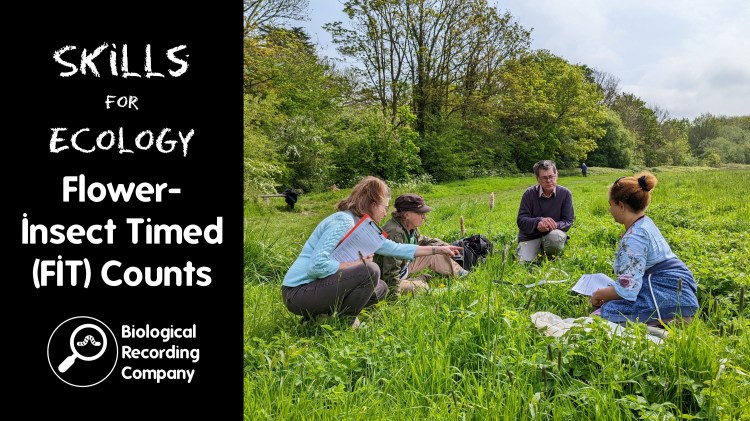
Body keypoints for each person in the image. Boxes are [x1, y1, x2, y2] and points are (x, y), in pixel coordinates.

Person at [281, 176, 463, 328]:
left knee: (380, 288)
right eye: (385, 207)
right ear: (373, 204)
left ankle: (321, 317)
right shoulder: (343, 221)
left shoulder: (362, 226)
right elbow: (317, 266)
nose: (385, 213)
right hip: (298, 292)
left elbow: (394, 248)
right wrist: (356, 264)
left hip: (319, 288)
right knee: (371, 270)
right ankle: (345, 323)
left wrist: (438, 249)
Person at [589, 172, 698, 326]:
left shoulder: (634, 238)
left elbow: (627, 289)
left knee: (600, 317)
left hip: (667, 300)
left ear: (621, 206)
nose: (609, 210)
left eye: (611, 205)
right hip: (681, 295)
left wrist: (599, 294)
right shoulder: (645, 223)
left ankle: (655, 331)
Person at [375, 194, 468, 295]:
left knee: (435, 252)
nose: (424, 216)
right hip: (386, 281)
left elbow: (422, 240)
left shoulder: (409, 226)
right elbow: (390, 273)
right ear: (406, 215)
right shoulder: (394, 233)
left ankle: (463, 275)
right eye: (420, 213)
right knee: (419, 288)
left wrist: (443, 246)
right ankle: (425, 286)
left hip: (404, 268)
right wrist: (393, 297)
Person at [516, 160, 575, 262]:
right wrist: (538, 223)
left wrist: (550, 225)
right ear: (537, 179)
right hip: (530, 236)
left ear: (557, 175)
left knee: (555, 237)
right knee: (524, 262)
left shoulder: (565, 194)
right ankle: (537, 250)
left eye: (551, 176)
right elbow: (521, 220)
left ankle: (550, 255)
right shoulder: (528, 194)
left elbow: (568, 220)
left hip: (553, 234)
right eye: (544, 178)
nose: (548, 181)